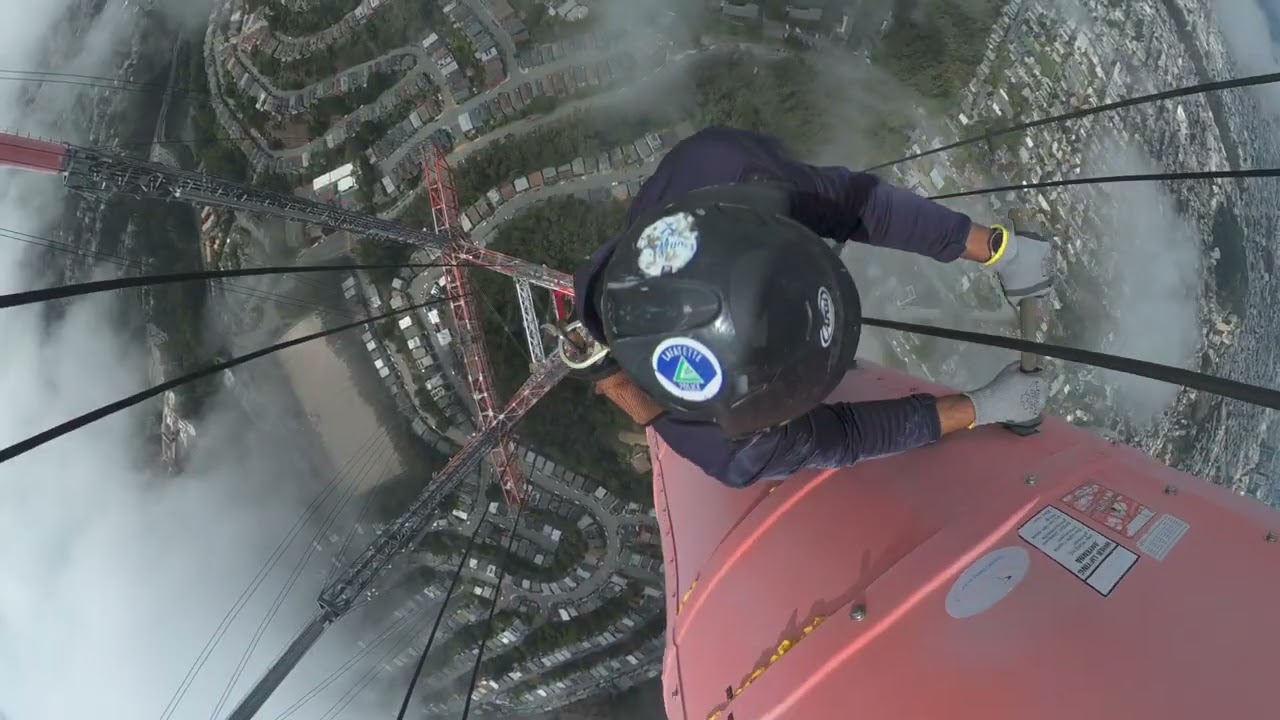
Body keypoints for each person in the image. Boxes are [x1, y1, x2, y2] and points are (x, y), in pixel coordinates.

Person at [572, 127, 1052, 489]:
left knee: (809, 192)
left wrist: (995, 247)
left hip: (733, 190)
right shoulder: (729, 445)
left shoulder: (731, 174)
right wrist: (979, 407)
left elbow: (856, 206)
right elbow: (841, 436)